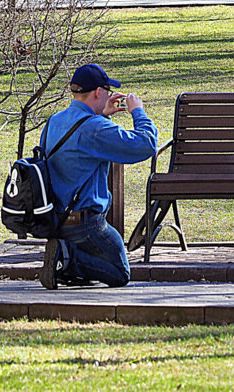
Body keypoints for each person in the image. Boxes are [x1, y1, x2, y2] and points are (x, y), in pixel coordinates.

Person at [40, 63, 158, 289]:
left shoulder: (54, 121)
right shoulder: (94, 128)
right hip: (86, 225)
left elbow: (80, 150)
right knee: (119, 272)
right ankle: (67, 260)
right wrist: (137, 111)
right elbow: (146, 145)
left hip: (57, 219)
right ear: (98, 92)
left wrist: (103, 115)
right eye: (107, 89)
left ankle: (64, 255)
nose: (110, 94)